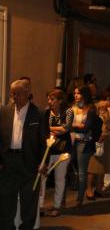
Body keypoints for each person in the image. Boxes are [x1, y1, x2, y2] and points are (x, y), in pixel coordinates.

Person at [0, 79, 46, 230]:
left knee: (29, 197)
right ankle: (6, 228)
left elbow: (44, 142)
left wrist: (43, 162)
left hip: (30, 161)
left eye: (18, 93)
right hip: (7, 160)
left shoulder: (39, 113)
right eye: (12, 93)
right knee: (6, 196)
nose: (14, 96)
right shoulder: (4, 112)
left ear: (27, 93)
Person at [39, 89, 73, 217]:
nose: (49, 102)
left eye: (52, 99)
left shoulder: (68, 111)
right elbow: (43, 130)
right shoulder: (46, 112)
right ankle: (40, 205)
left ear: (60, 100)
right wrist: (56, 130)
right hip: (48, 150)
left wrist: (51, 130)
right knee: (42, 177)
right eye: (48, 99)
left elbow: (66, 128)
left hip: (63, 150)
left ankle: (57, 206)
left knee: (59, 179)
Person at [71, 85, 100, 205]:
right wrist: (77, 127)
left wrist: (72, 127)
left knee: (82, 172)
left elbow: (86, 128)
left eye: (78, 93)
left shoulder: (91, 109)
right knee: (75, 171)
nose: (76, 95)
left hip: (85, 143)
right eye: (74, 93)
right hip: (72, 142)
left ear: (84, 94)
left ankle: (79, 199)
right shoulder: (72, 108)